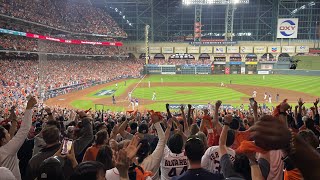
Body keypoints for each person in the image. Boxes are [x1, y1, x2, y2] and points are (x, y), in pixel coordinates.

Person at [0, 97, 36, 180]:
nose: (9, 134)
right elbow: (24, 129)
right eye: (6, 134)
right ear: (3, 140)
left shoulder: (4, 148)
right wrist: (29, 107)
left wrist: (14, 117)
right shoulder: (7, 150)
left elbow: (12, 132)